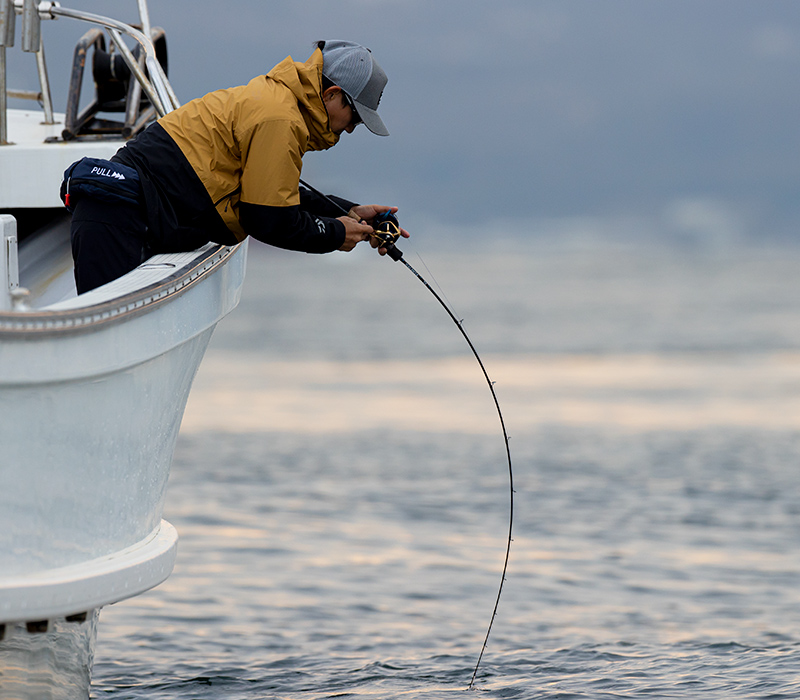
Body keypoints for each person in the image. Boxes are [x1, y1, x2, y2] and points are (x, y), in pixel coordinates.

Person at [66, 40, 408, 294]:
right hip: (118, 220)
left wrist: (348, 210)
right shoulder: (280, 119)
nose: (351, 129)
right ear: (333, 95)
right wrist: (335, 233)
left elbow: (273, 195)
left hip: (120, 215)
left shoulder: (279, 103)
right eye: (356, 119)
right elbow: (268, 220)